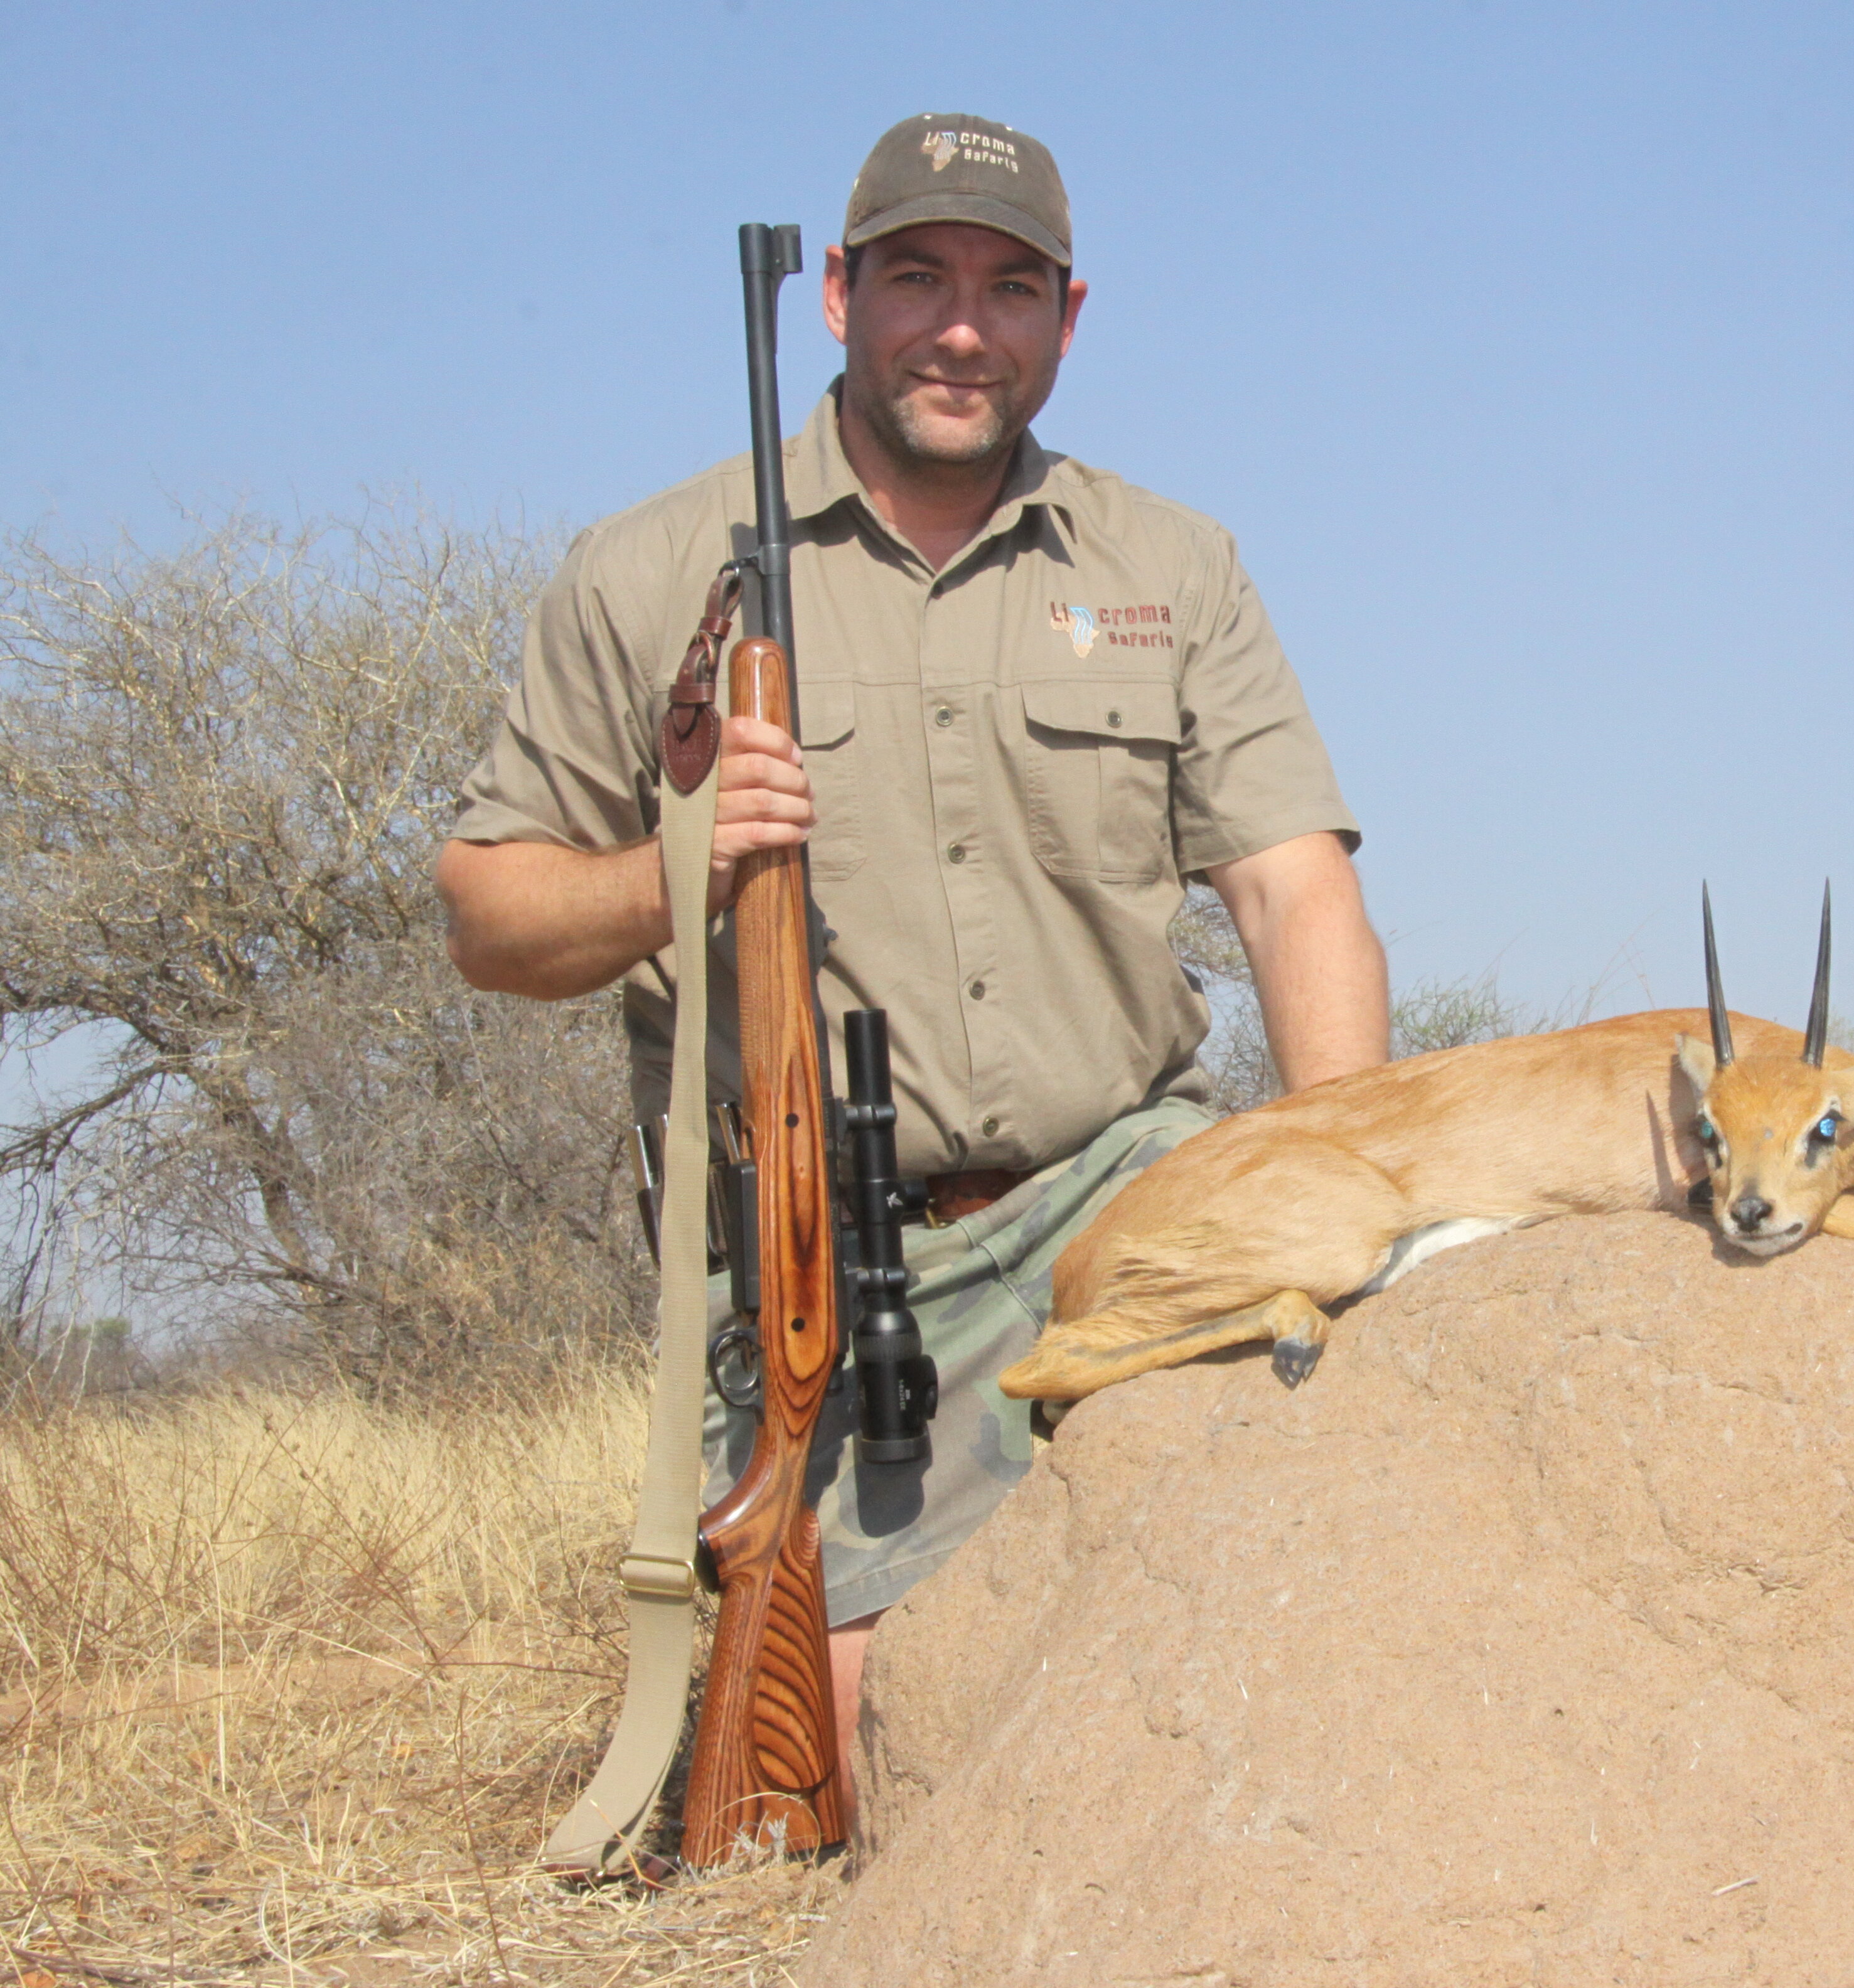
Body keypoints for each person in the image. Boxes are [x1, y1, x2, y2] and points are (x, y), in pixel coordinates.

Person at [435, 114, 1388, 1766]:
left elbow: (1294, 887)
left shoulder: (1170, 565)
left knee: (1291, 1574)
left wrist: (1347, 1187)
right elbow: (487, 913)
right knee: (888, 1748)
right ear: (835, 297)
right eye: (920, 278)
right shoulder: (652, 568)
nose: (964, 326)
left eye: (1010, 287)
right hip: (832, 1245)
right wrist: (678, 862)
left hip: (1123, 1184)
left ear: (1067, 320)